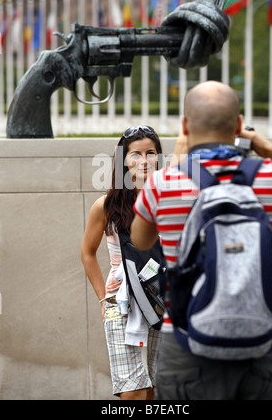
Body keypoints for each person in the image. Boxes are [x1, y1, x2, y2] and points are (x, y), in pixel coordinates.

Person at [131, 81, 272, 400]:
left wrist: (178, 162)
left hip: (184, 344)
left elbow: (139, 240)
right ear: (238, 124)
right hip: (259, 346)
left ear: (184, 125)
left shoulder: (165, 182)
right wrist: (271, 151)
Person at [80, 125, 163, 401]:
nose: (144, 161)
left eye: (151, 153)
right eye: (135, 154)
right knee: (133, 392)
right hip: (121, 301)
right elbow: (87, 252)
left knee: (155, 387)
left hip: (163, 300)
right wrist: (104, 299)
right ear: (122, 161)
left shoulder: (170, 201)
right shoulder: (106, 206)